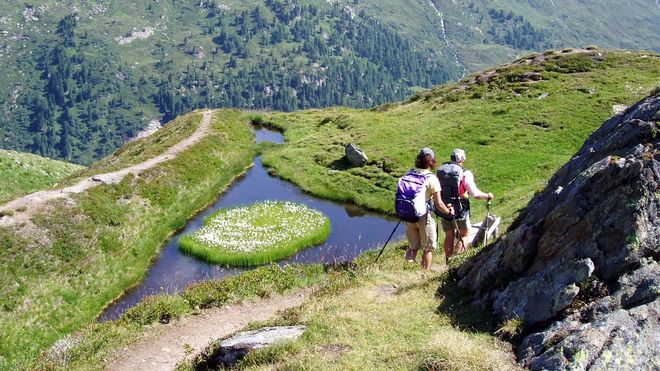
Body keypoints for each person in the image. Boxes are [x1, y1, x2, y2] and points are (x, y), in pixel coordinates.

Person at [438, 149, 494, 261]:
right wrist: (488, 195)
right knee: (464, 235)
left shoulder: (442, 171)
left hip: (444, 208)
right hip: (460, 210)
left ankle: (447, 261)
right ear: (462, 159)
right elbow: (476, 194)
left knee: (449, 236)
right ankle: (455, 261)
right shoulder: (465, 173)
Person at [403, 147, 453, 270]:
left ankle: (406, 272)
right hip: (425, 216)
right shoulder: (431, 178)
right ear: (431, 161)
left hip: (409, 214)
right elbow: (439, 204)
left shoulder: (409, 173)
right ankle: (423, 274)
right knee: (427, 248)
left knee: (412, 246)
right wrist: (449, 213)